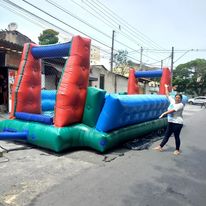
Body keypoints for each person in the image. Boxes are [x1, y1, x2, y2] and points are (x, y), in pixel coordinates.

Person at [153, 84, 184, 155]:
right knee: (167, 135)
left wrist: (164, 113)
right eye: (176, 97)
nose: (177, 99)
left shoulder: (180, 105)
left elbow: (172, 110)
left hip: (178, 123)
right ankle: (160, 146)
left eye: (179, 98)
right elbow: (167, 95)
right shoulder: (173, 101)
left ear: (181, 99)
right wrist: (166, 87)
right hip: (171, 122)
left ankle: (177, 150)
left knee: (176, 136)